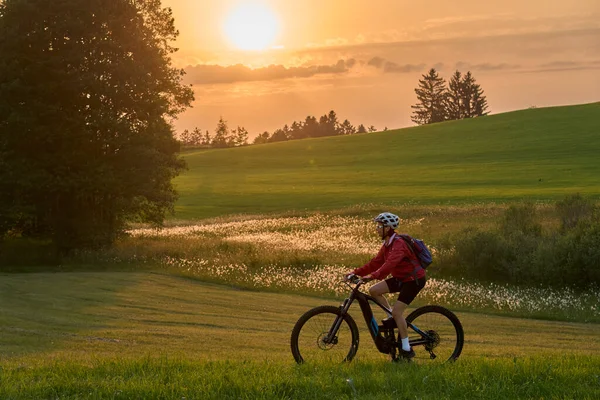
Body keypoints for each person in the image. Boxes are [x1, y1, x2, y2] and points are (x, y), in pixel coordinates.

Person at [346, 212, 427, 360]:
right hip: (401, 278)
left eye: (379, 226)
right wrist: (355, 272)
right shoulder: (387, 244)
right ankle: (391, 316)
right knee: (374, 291)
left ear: (388, 228)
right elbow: (376, 263)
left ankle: (406, 349)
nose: (376, 229)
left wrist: (372, 276)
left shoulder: (399, 244)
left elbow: (389, 265)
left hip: (414, 280)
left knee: (398, 313)